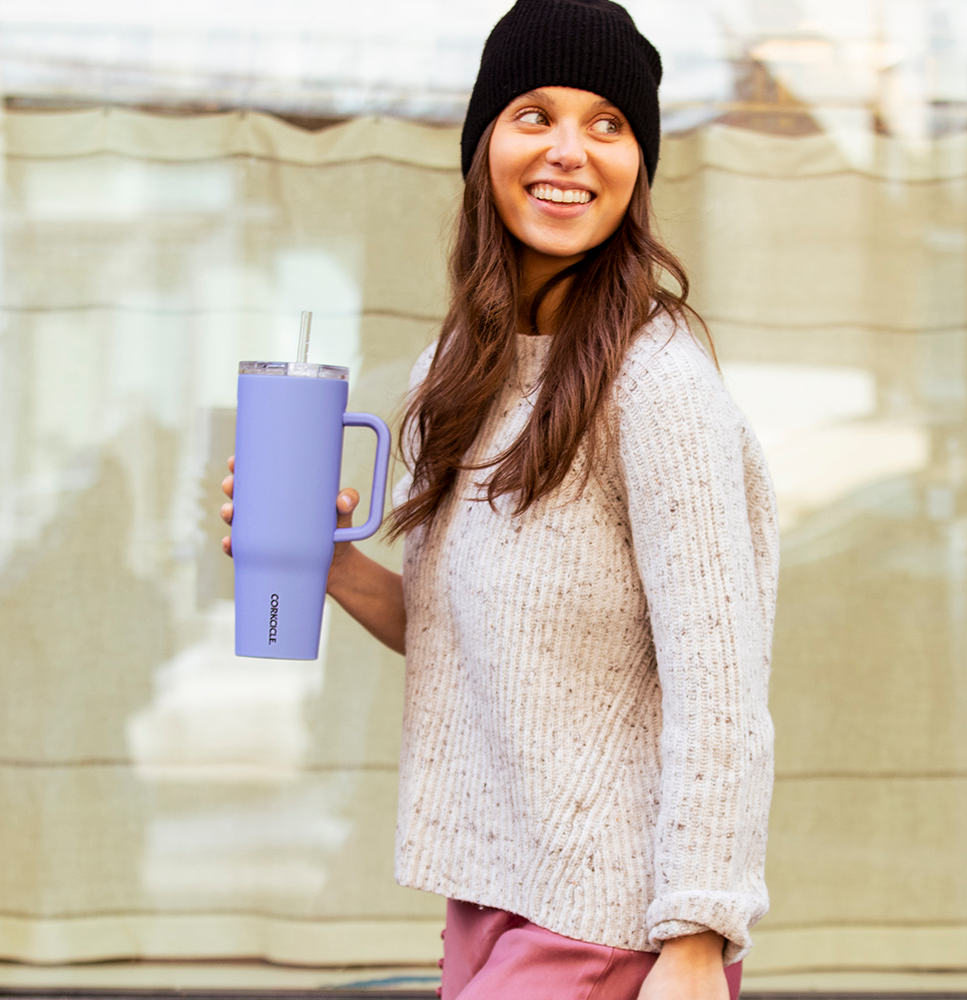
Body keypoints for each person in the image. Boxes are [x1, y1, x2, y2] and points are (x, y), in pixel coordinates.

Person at [222, 1, 779, 997]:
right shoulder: (462, 367)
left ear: (637, 169)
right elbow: (464, 633)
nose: (570, 149)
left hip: (608, 917)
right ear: (485, 145)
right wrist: (327, 561)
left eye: (607, 124)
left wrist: (697, 932)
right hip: (488, 895)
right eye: (535, 113)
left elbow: (722, 686)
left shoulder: (657, 385)